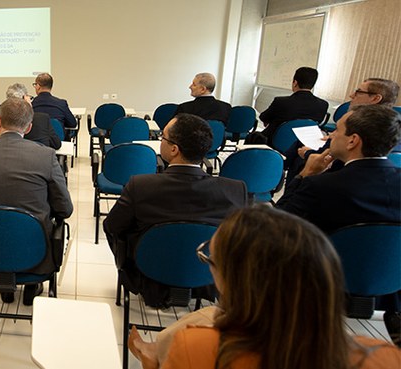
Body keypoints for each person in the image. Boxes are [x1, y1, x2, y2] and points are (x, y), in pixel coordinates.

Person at [128, 206, 401, 369]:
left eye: (210, 258)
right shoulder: (385, 356)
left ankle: (153, 354)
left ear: (237, 278)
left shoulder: (197, 348)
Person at [277, 105, 401, 346]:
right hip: (391, 286)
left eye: (337, 130)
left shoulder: (321, 187)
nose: (331, 135)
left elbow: (278, 224)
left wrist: (305, 175)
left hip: (321, 285)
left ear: (353, 140)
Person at [103, 113, 248, 307]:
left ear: (174, 149)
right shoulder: (235, 190)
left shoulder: (141, 186)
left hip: (148, 273)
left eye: (162, 136)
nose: (160, 141)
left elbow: (112, 226)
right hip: (207, 277)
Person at [0, 97, 73, 305]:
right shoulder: (46, 156)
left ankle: (4, 286)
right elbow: (65, 209)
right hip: (35, 252)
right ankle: (31, 285)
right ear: (29, 127)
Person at [283, 78, 400, 184]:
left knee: (299, 157)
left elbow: (325, 157)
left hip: (338, 177)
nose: (351, 95)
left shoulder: (357, 122)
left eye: (358, 92)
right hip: (374, 177)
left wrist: (307, 153)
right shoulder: (392, 124)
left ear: (375, 98)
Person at [259, 66, 329, 138]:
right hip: (304, 144)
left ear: (295, 83)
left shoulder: (281, 102)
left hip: (276, 142)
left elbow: (263, 117)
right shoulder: (323, 105)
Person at [0, 83, 61, 149]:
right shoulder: (42, 119)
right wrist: (29, 108)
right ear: (24, 99)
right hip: (38, 157)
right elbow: (57, 144)